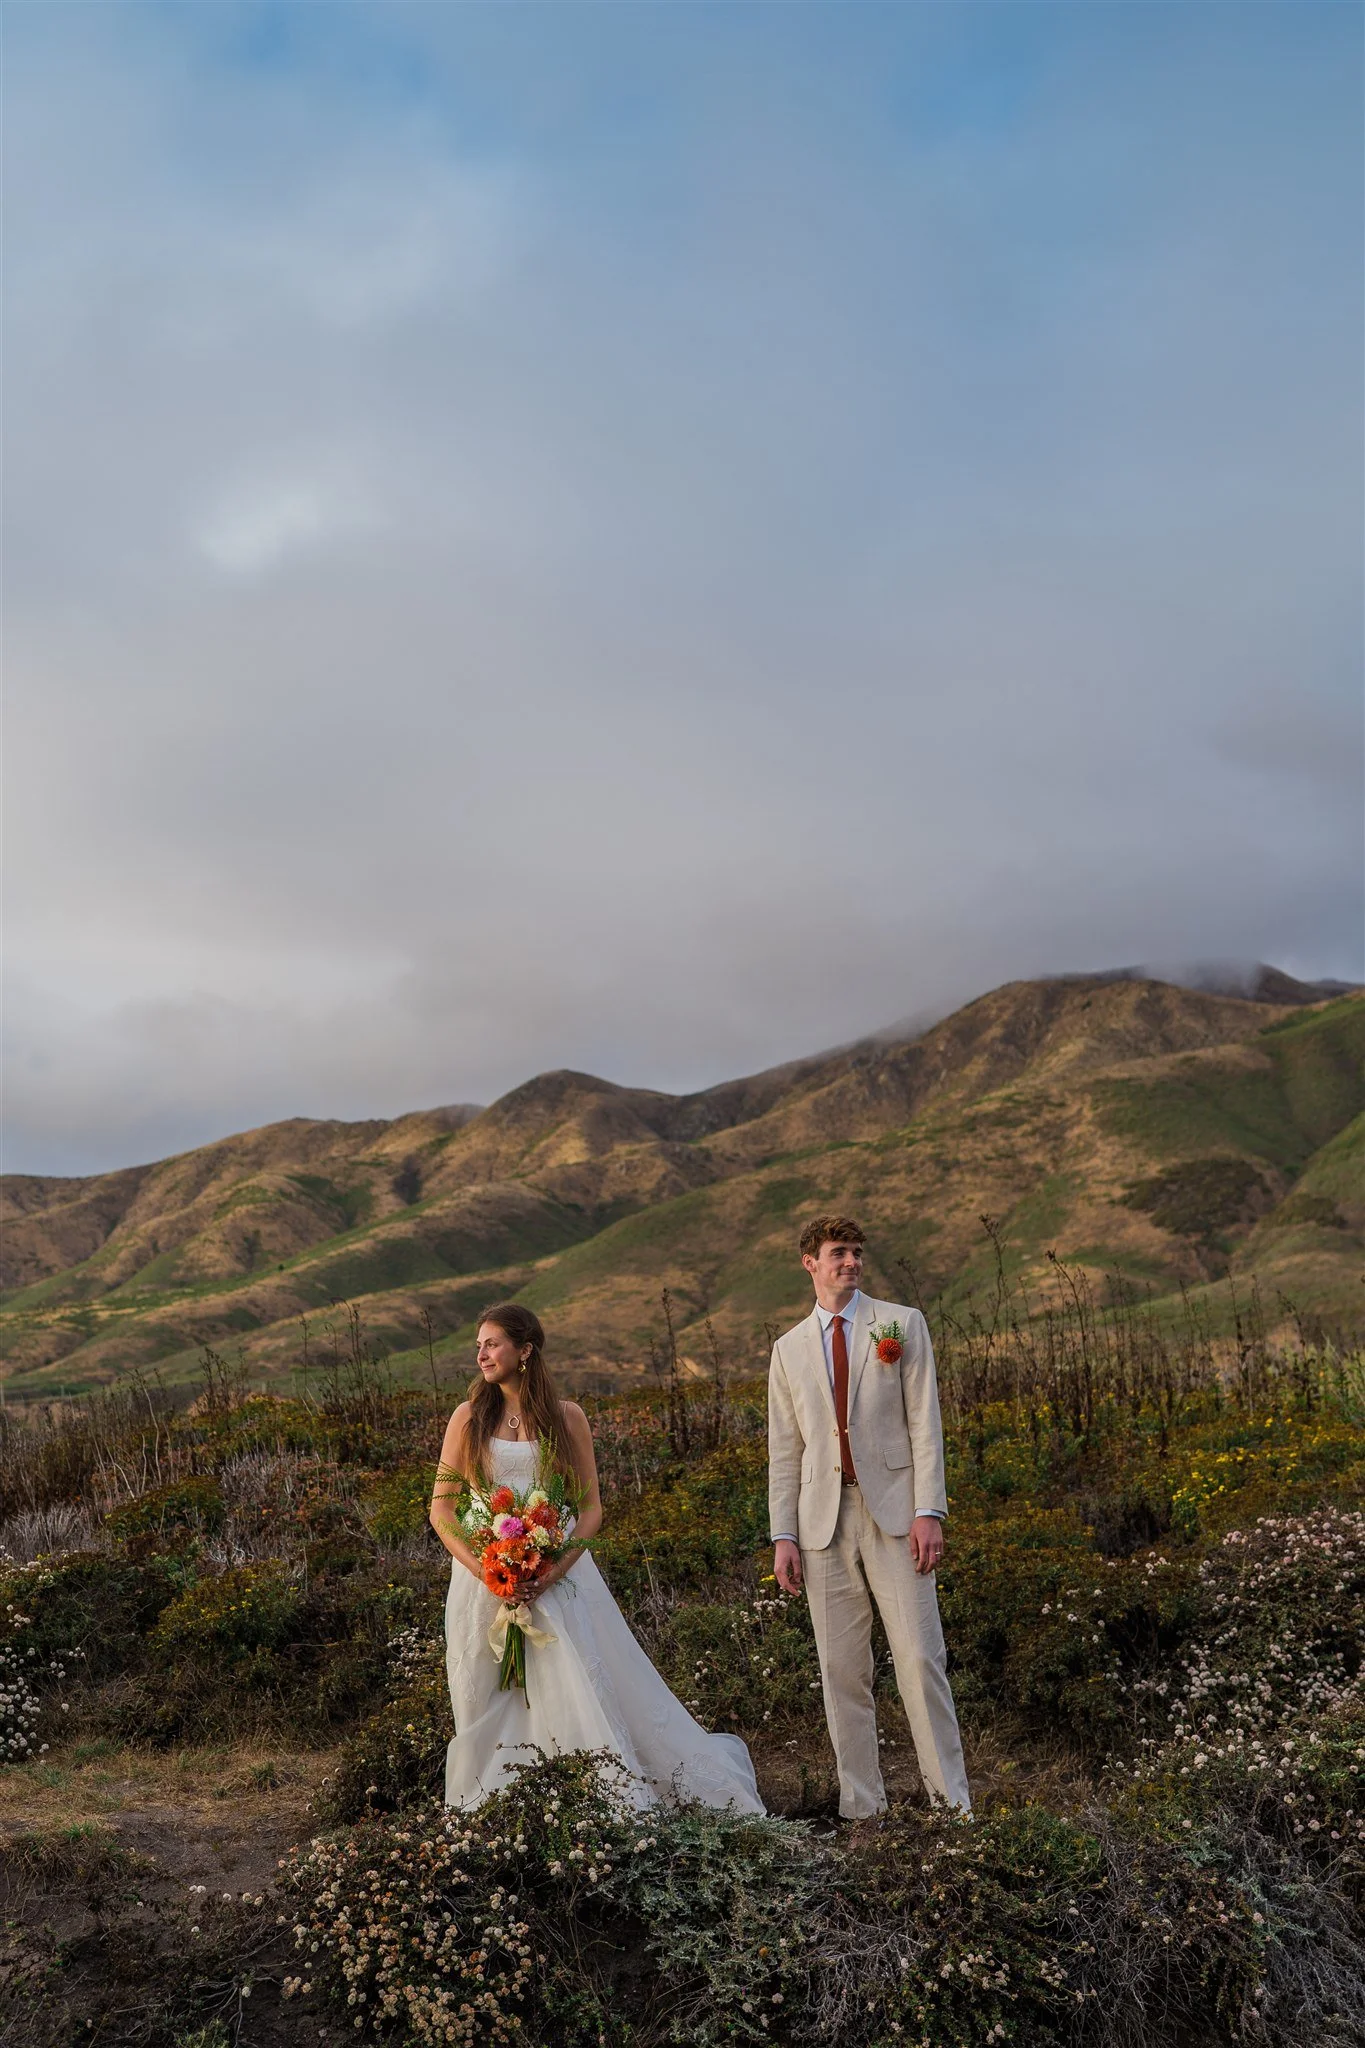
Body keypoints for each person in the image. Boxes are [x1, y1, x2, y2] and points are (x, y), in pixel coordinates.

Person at [431, 1301, 763, 1814]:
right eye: (478, 1345)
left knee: (571, 1690)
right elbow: (442, 1511)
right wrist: (488, 1571)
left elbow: (589, 1511)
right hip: (482, 1581)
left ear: (525, 1350)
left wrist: (549, 1569)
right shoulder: (469, 1418)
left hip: (557, 1576)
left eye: (492, 1343)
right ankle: (497, 1811)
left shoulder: (567, 1418)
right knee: (486, 1693)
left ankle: (586, 1804)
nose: (481, 1354)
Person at [768, 1217, 970, 1819]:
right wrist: (784, 1535)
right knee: (841, 1672)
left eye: (856, 1253)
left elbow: (924, 1424)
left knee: (919, 1659)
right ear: (811, 1262)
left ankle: (952, 1806)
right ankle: (863, 1809)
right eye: (838, 1253)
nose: (850, 1262)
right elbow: (785, 1449)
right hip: (821, 1526)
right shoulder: (787, 1350)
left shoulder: (900, 1325)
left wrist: (928, 1511)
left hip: (896, 1517)